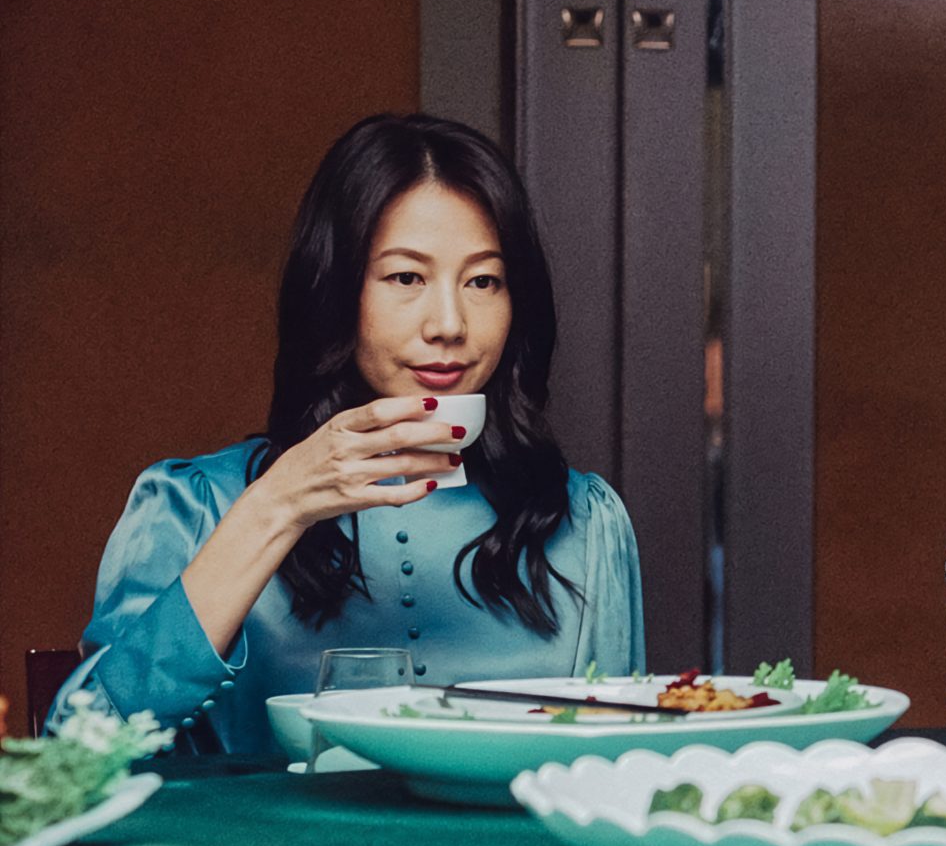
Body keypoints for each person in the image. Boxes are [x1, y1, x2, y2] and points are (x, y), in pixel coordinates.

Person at [57, 113, 645, 754]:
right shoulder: (195, 505)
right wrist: (275, 508)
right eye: (406, 278)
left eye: (482, 281)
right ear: (335, 290)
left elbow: (617, 766)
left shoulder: (583, 523)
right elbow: (76, 755)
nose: (450, 324)